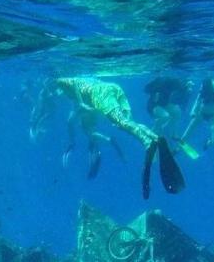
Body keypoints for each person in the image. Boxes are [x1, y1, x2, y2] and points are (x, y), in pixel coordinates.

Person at [54, 77, 185, 197]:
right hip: (113, 88)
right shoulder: (82, 78)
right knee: (128, 122)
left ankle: (146, 142)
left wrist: (81, 103)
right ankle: (153, 137)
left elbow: (74, 84)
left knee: (121, 122)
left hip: (100, 94)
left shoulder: (60, 81)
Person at [144, 76, 196, 156]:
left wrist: (187, 85)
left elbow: (181, 86)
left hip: (165, 104)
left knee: (177, 112)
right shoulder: (158, 80)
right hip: (153, 105)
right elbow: (146, 89)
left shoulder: (173, 80)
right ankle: (151, 133)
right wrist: (154, 92)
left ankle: (173, 134)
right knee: (165, 116)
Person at [180, 77, 214, 150]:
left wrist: (213, 81)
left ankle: (208, 142)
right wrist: (193, 110)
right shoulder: (206, 82)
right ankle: (178, 147)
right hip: (201, 112)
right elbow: (198, 98)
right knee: (189, 130)